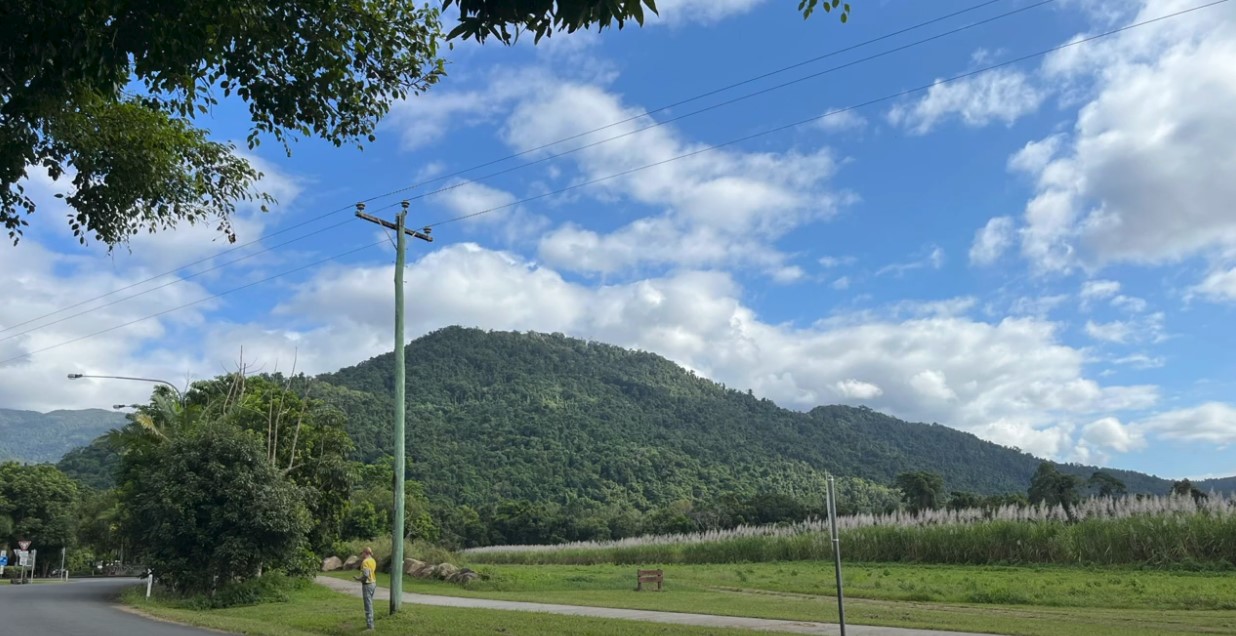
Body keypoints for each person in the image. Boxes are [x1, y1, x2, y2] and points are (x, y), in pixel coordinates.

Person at [355, 547, 378, 631]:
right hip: (373, 583)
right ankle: (370, 624)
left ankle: (370, 627)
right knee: (370, 603)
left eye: (362, 553)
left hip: (367, 584)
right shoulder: (373, 560)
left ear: (365, 553)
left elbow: (365, 575)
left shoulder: (365, 562)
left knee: (368, 605)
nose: (362, 555)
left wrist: (358, 579)